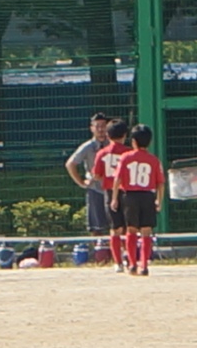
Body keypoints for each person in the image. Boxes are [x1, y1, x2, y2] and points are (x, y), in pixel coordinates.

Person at [111, 123, 165, 277]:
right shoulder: (154, 160)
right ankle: (145, 265)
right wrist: (159, 200)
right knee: (146, 231)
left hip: (130, 196)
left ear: (133, 141)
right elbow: (160, 183)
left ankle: (132, 264)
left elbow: (117, 179)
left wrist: (114, 198)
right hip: (148, 195)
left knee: (131, 230)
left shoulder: (126, 157)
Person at [91, 119, 132, 272]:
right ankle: (130, 259)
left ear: (107, 135)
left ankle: (118, 262)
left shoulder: (102, 153)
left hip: (109, 192)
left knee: (115, 229)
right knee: (130, 227)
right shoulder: (129, 153)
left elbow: (96, 175)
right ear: (125, 135)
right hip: (128, 192)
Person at [65, 112, 111, 239]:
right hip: (95, 189)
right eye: (97, 126)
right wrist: (81, 182)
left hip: (112, 189)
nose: (101, 130)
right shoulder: (87, 147)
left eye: (103, 126)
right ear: (92, 128)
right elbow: (70, 164)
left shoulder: (113, 145)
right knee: (96, 227)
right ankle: (98, 250)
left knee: (117, 226)